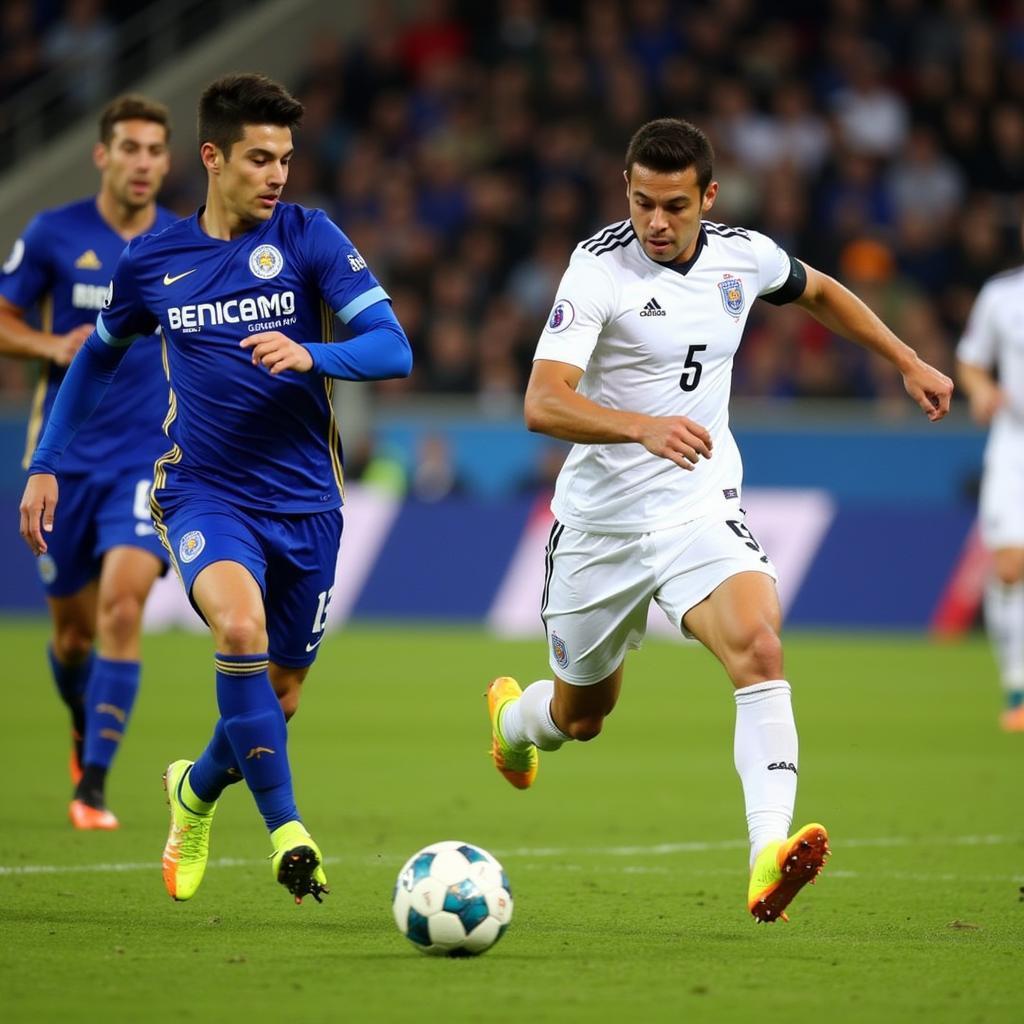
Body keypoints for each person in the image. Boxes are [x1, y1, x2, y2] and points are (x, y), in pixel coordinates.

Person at [486, 118, 953, 924]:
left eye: (673, 205)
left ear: (709, 196)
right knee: (582, 716)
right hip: (600, 526)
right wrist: (640, 425)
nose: (656, 223)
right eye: (641, 204)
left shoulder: (745, 254)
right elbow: (542, 400)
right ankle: (515, 721)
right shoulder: (598, 270)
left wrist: (905, 358)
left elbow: (821, 292)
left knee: (759, 646)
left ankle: (766, 852)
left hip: (697, 503)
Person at [19, 73, 412, 904]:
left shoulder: (310, 238)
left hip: (307, 502)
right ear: (213, 158)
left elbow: (392, 347)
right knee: (239, 627)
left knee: (282, 691)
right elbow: (96, 356)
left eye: (286, 159)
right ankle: (288, 832)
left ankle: (192, 792)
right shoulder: (155, 260)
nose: (277, 175)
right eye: (260, 158)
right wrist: (46, 461)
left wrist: (316, 354)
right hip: (203, 492)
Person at [0, 94, 175, 830]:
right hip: (63, 464)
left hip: (150, 462)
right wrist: (51, 347)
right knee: (72, 635)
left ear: (170, 161)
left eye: (155, 150)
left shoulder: (184, 244)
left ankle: (93, 787)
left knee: (122, 607)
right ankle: (83, 726)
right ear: (102, 155)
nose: (143, 163)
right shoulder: (52, 234)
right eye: (129, 148)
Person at [955, 249, 1024, 732]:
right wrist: (980, 390)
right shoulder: (1002, 295)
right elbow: (972, 360)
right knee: (1010, 565)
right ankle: (1018, 687)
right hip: (1014, 445)